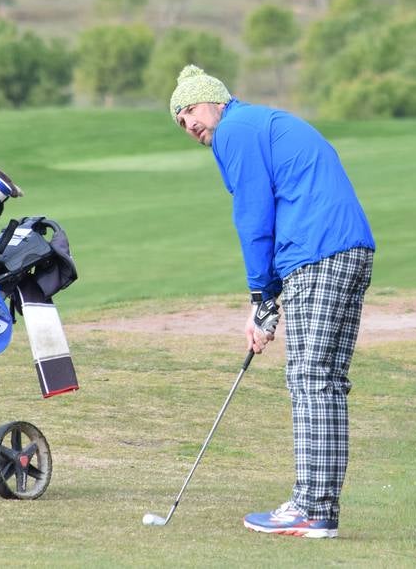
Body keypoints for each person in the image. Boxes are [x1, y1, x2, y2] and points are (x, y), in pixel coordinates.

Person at [169, 64, 375, 539]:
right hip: (346, 250)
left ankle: (312, 507)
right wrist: (269, 299)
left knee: (309, 377)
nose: (190, 124)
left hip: (318, 251)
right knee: (323, 379)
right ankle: (319, 506)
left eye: (192, 111)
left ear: (215, 101)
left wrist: (261, 295)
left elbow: (254, 215)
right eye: (180, 121)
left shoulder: (234, 131)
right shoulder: (257, 122)